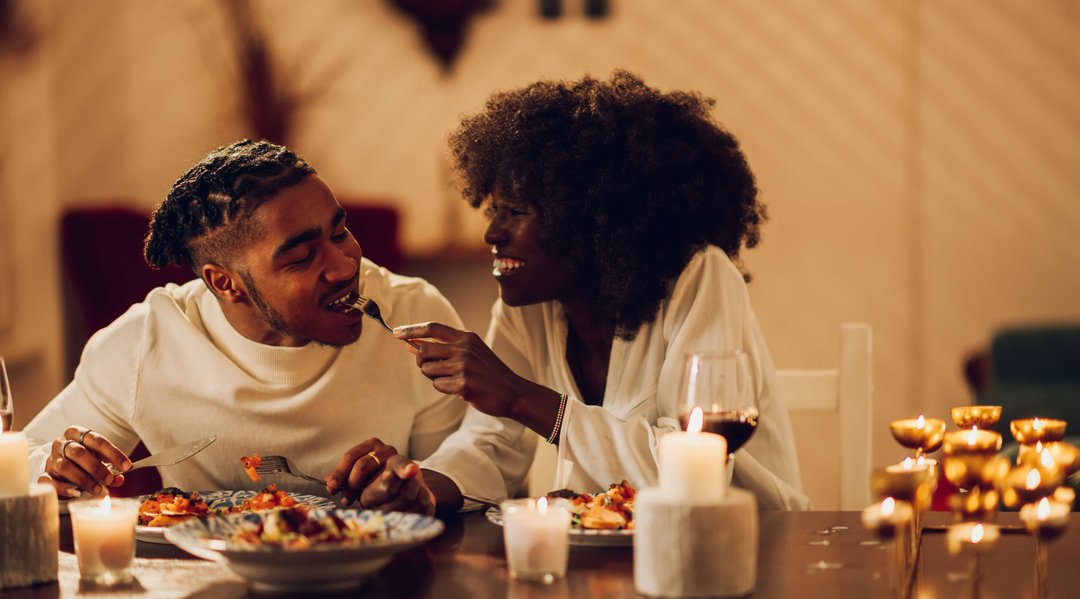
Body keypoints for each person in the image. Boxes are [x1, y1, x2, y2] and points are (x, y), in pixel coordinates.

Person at [328, 71, 810, 512]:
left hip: (755, 550)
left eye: (516, 212)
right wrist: (420, 487)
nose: (492, 233)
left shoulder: (699, 277)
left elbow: (696, 469)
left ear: (593, 221)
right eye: (492, 209)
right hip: (611, 566)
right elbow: (490, 445)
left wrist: (521, 396)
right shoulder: (526, 308)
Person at [27, 139, 464, 514]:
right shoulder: (146, 344)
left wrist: (421, 484)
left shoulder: (413, 315)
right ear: (225, 282)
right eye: (301, 257)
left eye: (339, 232)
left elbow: (474, 456)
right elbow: (19, 463)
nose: (345, 265)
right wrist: (57, 470)